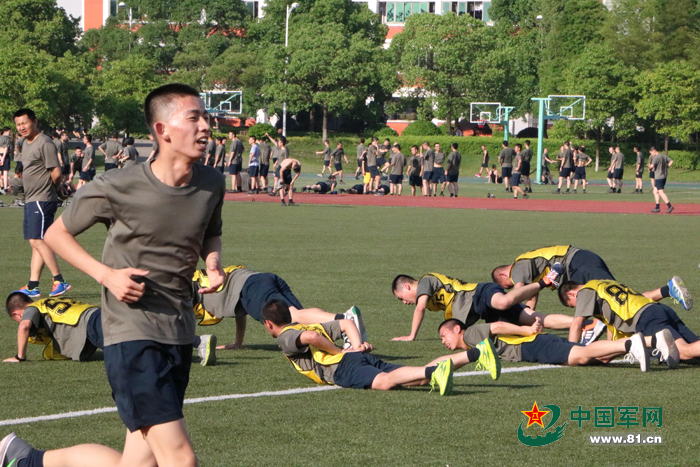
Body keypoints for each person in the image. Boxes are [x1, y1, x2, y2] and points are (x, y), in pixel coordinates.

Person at [3, 84, 227, 467]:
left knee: (140, 462)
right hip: (132, 334)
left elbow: (211, 231)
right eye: (194, 118)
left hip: (178, 331)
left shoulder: (211, 183)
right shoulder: (118, 185)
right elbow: (56, 234)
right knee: (179, 459)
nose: (205, 126)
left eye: (206, 117)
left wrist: (213, 263)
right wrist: (106, 275)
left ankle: (26, 460)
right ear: (162, 130)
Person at [260, 299, 501, 394]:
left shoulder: (286, 336)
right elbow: (346, 322)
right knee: (417, 379)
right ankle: (477, 352)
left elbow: (312, 338)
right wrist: (357, 346)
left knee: (384, 382)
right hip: (355, 359)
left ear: (269, 323)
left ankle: (435, 371)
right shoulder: (303, 325)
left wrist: (339, 351)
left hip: (342, 367)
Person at [3, 292, 217, 366]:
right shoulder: (45, 303)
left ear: (16, 313)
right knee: (139, 336)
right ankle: (194, 345)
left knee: (136, 343)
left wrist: (20, 357)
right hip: (95, 316)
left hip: (90, 324)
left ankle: (197, 343)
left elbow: (25, 327)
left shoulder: (30, 309)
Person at [190, 265, 365, 349]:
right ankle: (345, 331)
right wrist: (238, 342)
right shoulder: (205, 286)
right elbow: (239, 310)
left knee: (293, 316)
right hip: (262, 279)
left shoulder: (196, 296)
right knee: (298, 320)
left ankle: (345, 320)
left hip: (252, 287)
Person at [390, 268, 573, 342]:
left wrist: (411, 336)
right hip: (481, 310)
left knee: (503, 302)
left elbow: (420, 308)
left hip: (479, 293)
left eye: (401, 298)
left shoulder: (425, 281)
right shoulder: (437, 303)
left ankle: (544, 281)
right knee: (531, 319)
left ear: (406, 286)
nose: (404, 302)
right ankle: (581, 323)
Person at [491, 246, 692, 311]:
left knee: (615, 301)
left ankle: (592, 330)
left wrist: (513, 315)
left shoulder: (517, 267)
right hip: (581, 262)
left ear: (502, 275)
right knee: (620, 300)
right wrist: (528, 320)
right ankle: (667, 290)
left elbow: (518, 292)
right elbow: (531, 298)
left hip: (578, 263)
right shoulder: (529, 268)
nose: (509, 287)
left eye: (505, 285)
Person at [559, 280, 700, 368]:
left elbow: (577, 323)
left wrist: (572, 352)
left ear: (571, 294)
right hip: (657, 309)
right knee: (695, 353)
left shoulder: (585, 291)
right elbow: (610, 347)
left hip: (645, 317)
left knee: (684, 352)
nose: (577, 308)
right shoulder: (602, 286)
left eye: (573, 306)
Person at [438, 317, 659, 371]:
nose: (443, 341)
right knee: (597, 358)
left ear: (457, 328)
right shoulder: (471, 346)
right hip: (536, 345)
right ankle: (653, 345)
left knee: (581, 355)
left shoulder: (470, 334)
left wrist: (526, 330)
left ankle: (633, 343)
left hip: (532, 346)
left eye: (443, 335)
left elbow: (497, 326)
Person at [11, 108, 71, 299]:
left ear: (34, 121)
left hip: (42, 198)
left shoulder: (44, 142)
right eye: (18, 124)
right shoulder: (25, 143)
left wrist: (57, 188)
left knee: (38, 240)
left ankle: (59, 280)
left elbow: (56, 172)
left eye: (24, 123)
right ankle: (33, 286)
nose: (21, 127)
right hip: (31, 199)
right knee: (35, 241)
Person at [648, 146, 674, 214]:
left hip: (659, 176)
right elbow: (671, 161)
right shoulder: (664, 156)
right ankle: (657, 207)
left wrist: (649, 168)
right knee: (655, 191)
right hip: (664, 176)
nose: (651, 155)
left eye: (651, 153)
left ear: (654, 151)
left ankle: (669, 205)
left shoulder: (656, 157)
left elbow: (652, 166)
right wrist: (667, 166)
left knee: (660, 191)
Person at [0, 127, 12, 193]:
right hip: (5, 156)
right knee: (5, 172)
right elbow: (6, 149)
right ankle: (5, 187)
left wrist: (0, 157)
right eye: (9, 132)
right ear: (6, 131)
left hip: (0, 155)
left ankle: (1, 186)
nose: (9, 133)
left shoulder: (0, 138)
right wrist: (3, 158)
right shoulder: (7, 139)